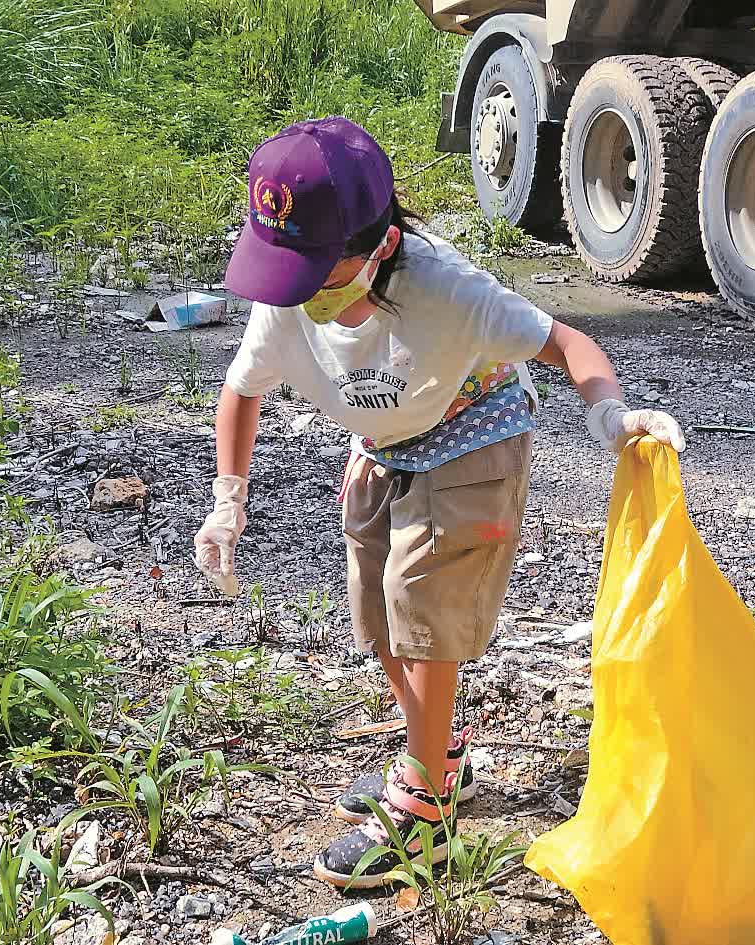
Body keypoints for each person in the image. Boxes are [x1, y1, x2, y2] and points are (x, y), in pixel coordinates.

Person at [193, 116, 685, 889]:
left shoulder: (446, 288)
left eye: (317, 269)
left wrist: (611, 416)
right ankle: (437, 756)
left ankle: (424, 815)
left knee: (419, 600)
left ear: (381, 246)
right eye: (285, 267)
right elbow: (240, 390)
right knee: (375, 608)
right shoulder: (288, 290)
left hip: (473, 427)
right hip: (386, 438)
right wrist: (228, 500)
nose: (298, 290)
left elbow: (567, 344)